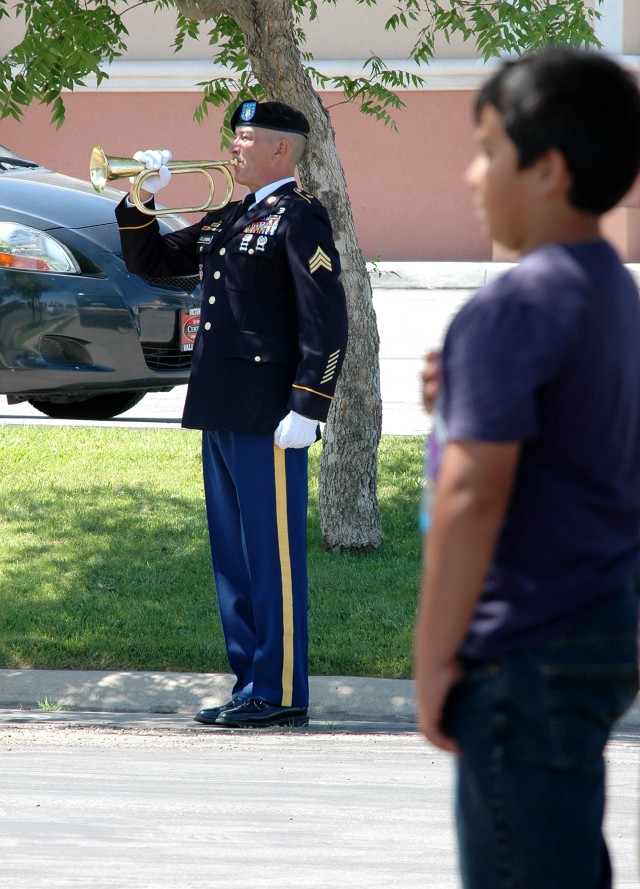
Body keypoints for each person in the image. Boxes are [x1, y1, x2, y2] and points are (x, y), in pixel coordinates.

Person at [414, 47, 640, 889]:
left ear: (547, 169)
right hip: (598, 622)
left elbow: (473, 495)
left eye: (487, 150)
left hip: (522, 647)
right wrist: (460, 392)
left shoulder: (512, 305)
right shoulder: (609, 290)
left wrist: (435, 659)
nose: (472, 175)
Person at [115, 101, 348, 728]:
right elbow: (154, 263)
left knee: (272, 558)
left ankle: (281, 691)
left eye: (245, 138)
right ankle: (249, 683)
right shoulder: (232, 214)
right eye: (235, 137)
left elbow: (326, 319)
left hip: (268, 414)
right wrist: (142, 198)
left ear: (280, 149)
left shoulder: (299, 217)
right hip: (220, 405)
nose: (234, 148)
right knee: (234, 560)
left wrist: (310, 404)